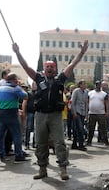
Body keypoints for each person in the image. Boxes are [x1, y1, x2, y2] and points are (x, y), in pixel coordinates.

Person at [12, 40, 88, 180]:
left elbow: (72, 64)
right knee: (41, 143)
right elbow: (25, 66)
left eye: (52, 67)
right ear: (44, 69)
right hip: (40, 115)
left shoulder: (61, 79)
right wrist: (18, 52)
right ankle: (42, 169)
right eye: (47, 67)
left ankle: (63, 169)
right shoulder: (38, 77)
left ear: (55, 69)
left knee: (59, 142)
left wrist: (81, 53)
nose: (50, 69)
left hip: (56, 115)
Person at [0, 73, 29, 164]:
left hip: (1, 114)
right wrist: (19, 87)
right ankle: (19, 155)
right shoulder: (15, 88)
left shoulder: (0, 89)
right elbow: (26, 96)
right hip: (12, 114)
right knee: (17, 135)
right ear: (14, 80)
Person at [87, 81, 109, 146]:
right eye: (97, 85)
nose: (98, 86)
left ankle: (106, 141)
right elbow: (87, 102)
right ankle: (89, 141)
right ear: (95, 85)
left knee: (103, 128)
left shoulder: (104, 94)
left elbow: (107, 103)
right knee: (91, 128)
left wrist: (107, 111)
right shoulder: (90, 93)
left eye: (99, 85)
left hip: (101, 113)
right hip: (92, 113)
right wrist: (87, 111)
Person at [70, 80, 89, 151]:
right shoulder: (76, 91)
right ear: (80, 85)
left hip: (83, 112)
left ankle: (74, 144)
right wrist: (74, 112)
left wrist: (87, 114)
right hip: (77, 112)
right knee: (80, 129)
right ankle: (81, 144)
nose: (85, 85)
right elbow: (73, 102)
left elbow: (86, 103)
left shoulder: (86, 92)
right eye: (84, 84)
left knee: (77, 129)